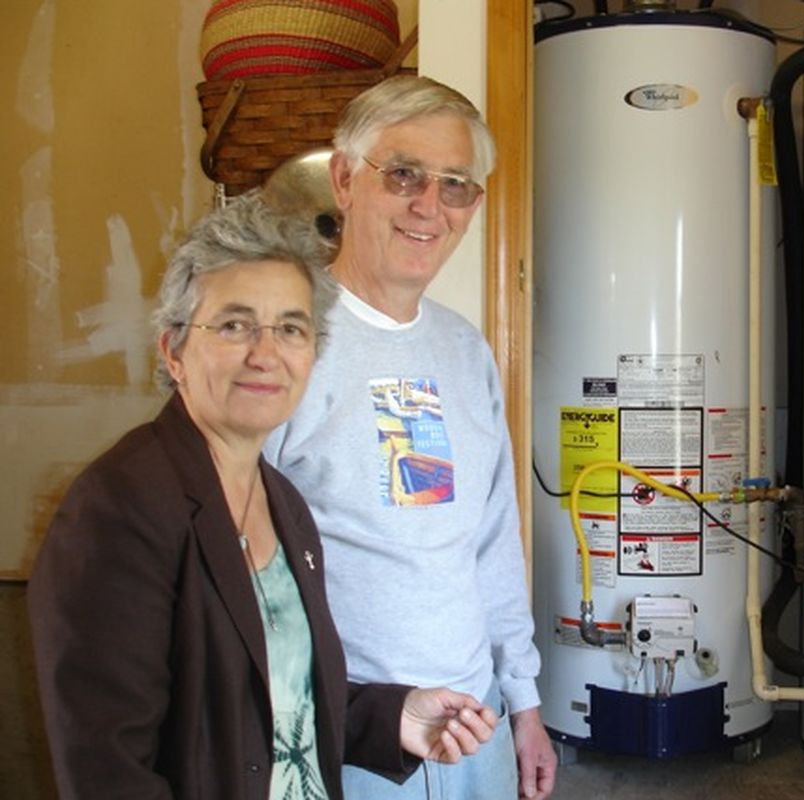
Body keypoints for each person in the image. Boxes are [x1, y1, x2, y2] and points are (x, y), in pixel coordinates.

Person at [28, 193, 497, 800]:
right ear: (174, 351)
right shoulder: (118, 507)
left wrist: (392, 717)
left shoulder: (284, 503)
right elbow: (106, 768)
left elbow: (273, 693)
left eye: (291, 329)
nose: (265, 353)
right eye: (233, 324)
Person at [264, 75, 558, 799]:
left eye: (456, 184)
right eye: (403, 175)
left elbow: (489, 537)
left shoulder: (465, 351)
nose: (430, 205)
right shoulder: (282, 343)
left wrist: (523, 703)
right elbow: (235, 564)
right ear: (344, 179)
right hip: (349, 734)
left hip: (475, 727)